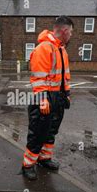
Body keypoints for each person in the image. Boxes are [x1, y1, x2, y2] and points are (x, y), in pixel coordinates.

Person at [20, 16, 73, 180]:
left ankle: (44, 159)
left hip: (57, 96)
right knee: (38, 132)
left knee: (51, 131)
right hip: (44, 97)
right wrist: (43, 99)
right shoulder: (45, 48)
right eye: (70, 32)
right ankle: (28, 165)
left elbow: (64, 76)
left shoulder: (61, 49)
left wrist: (67, 94)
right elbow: (38, 77)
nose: (71, 35)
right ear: (64, 31)